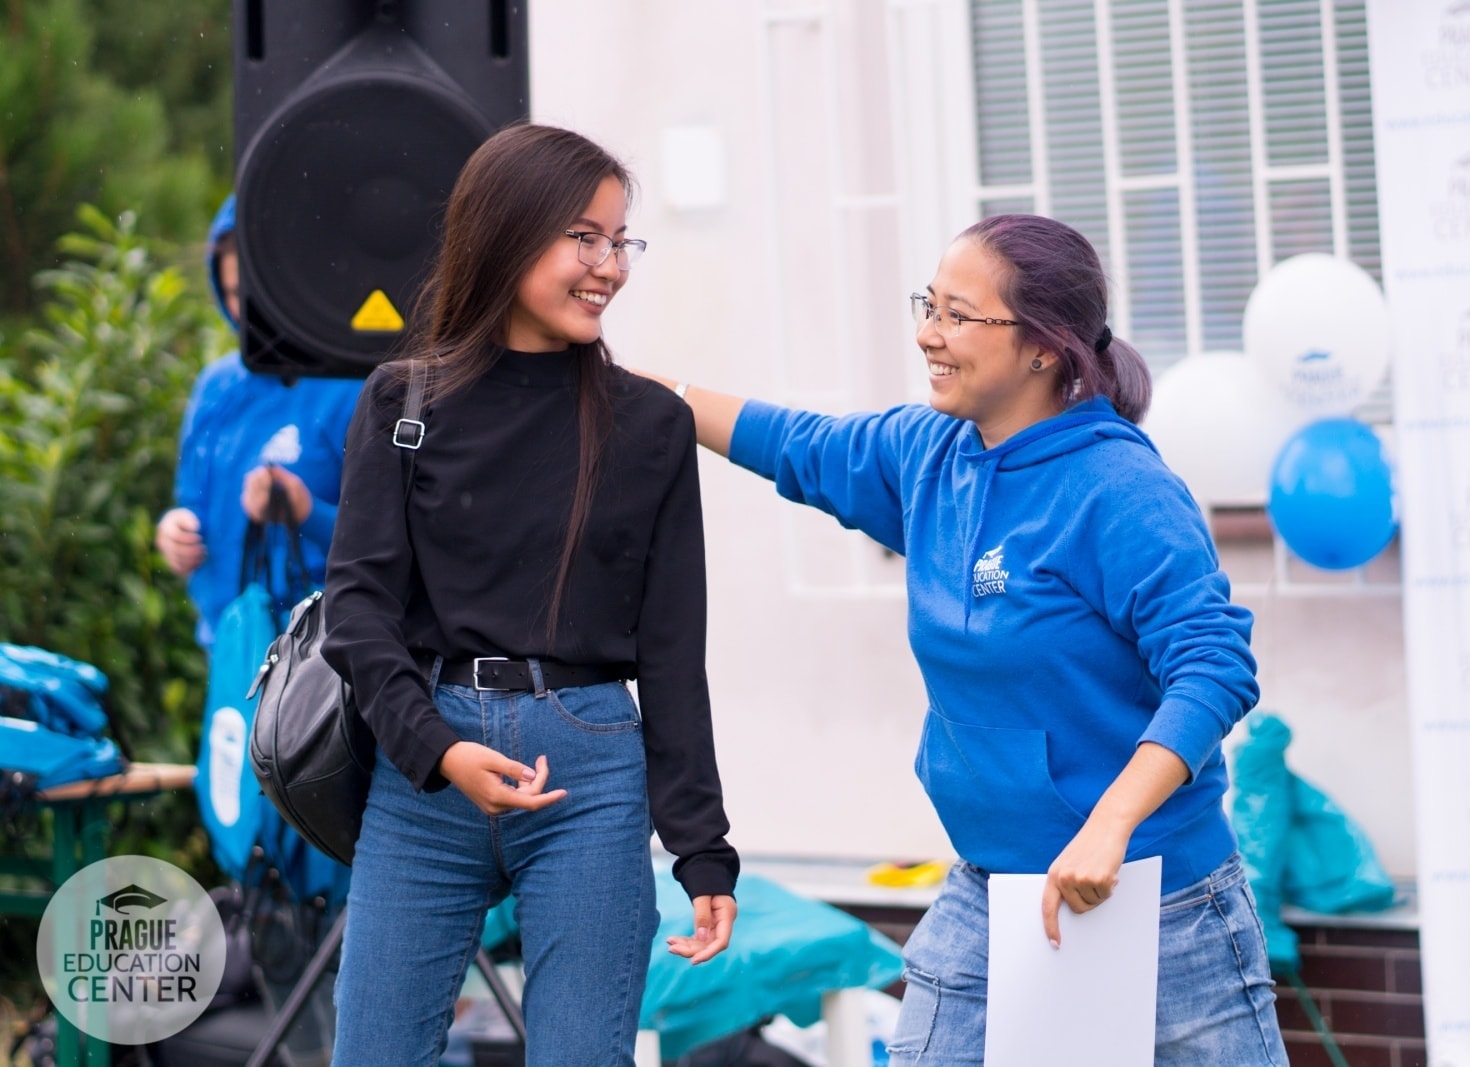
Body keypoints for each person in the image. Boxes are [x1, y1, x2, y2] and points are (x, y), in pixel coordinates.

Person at [643, 214, 1289, 1065]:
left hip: (1161, 903)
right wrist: (643, 395)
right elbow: (794, 443)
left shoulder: (1119, 488)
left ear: (1043, 347)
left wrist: (1111, 823)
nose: (927, 334)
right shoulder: (929, 453)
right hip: (993, 891)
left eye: (956, 315)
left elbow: (1212, 664)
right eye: (928, 305)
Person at [319, 124, 739, 1066]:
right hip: (425, 768)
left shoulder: (653, 426)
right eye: (582, 238)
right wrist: (436, 750)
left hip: (590, 774)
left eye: (620, 239)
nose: (609, 266)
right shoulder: (404, 402)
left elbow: (674, 653)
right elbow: (356, 610)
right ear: (505, 234)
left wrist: (702, 847)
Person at [155, 194, 364, 647]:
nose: (247, 311)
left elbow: (387, 544)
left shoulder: (353, 387)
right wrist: (178, 530)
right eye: (232, 293)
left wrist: (305, 511)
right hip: (233, 653)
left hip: (322, 666)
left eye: (258, 291)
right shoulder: (217, 386)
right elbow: (193, 499)